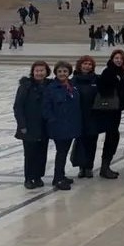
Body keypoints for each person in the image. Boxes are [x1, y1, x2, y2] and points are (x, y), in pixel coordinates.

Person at [42, 61, 81, 190]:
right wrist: (53, 120)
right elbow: (46, 107)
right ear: (56, 73)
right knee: (61, 152)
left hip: (71, 125)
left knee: (64, 152)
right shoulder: (52, 88)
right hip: (59, 126)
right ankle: (58, 178)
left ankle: (61, 175)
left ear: (69, 72)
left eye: (65, 71)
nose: (62, 74)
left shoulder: (72, 85)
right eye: (59, 71)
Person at [14, 60, 51, 189]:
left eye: (42, 70)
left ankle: (38, 176)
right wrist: (22, 125)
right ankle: (29, 178)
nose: (39, 73)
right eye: (37, 70)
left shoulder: (49, 85)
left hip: (44, 125)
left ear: (46, 72)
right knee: (30, 153)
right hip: (29, 126)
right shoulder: (25, 86)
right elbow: (18, 107)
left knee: (42, 152)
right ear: (33, 72)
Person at [92, 49, 124, 179]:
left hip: (116, 110)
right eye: (116, 58)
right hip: (108, 110)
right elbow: (103, 88)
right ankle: (104, 167)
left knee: (113, 136)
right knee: (111, 136)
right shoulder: (108, 71)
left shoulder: (122, 72)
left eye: (121, 58)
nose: (118, 60)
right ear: (112, 59)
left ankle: (106, 166)